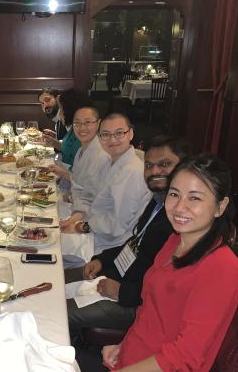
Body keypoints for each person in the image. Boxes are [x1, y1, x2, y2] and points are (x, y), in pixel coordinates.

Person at [68, 153, 238, 372]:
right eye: (175, 194)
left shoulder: (221, 267)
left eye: (195, 198)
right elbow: (152, 309)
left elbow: (187, 352)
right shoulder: (174, 242)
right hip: (130, 360)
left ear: (221, 206)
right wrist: (121, 343)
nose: (180, 207)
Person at [65, 135, 190, 340]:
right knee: (55, 280)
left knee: (59, 310)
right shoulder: (160, 202)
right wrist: (101, 260)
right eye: (149, 165)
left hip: (136, 304)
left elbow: (170, 287)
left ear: (184, 167)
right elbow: (136, 243)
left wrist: (123, 292)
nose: (155, 171)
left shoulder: (181, 220)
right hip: (120, 275)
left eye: (165, 164)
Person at [61, 113, 150, 265]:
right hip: (98, 231)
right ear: (100, 138)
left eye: (119, 133)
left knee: (51, 247)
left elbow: (117, 224)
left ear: (131, 133)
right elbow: (95, 197)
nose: (112, 139)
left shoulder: (132, 171)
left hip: (111, 246)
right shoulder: (113, 162)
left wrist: (82, 226)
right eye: (106, 135)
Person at [52, 106, 110, 226]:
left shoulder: (103, 156)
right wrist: (70, 194)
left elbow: (95, 201)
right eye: (77, 123)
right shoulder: (81, 151)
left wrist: (71, 221)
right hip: (76, 206)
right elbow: (81, 182)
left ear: (99, 123)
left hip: (89, 221)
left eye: (87, 122)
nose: (82, 128)